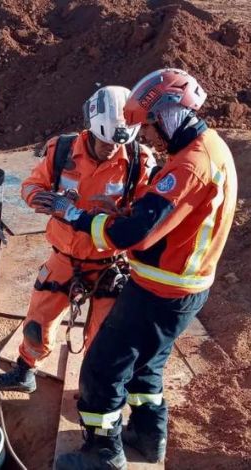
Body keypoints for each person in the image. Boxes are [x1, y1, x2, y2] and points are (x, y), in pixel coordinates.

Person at [50, 69, 238, 469]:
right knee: (147, 365)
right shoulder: (212, 147)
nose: (149, 137)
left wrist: (80, 217)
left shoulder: (189, 167)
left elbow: (133, 234)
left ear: (172, 113)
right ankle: (149, 437)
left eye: (151, 126)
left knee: (103, 367)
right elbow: (168, 217)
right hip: (182, 287)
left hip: (160, 291)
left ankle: (102, 453)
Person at [0, 86, 155, 393]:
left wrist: (121, 215)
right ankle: (25, 370)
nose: (110, 149)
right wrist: (46, 199)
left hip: (109, 263)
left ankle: (93, 391)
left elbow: (146, 216)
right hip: (65, 256)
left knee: (104, 335)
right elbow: (31, 186)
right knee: (37, 321)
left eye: (115, 143)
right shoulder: (63, 150)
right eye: (103, 141)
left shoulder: (139, 162)